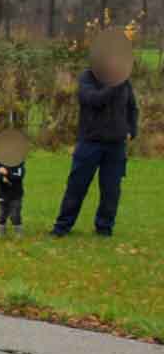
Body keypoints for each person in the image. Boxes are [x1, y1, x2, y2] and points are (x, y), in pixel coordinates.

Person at [51, 38, 139, 238]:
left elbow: (132, 108)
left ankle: (104, 228)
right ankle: (62, 227)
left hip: (115, 145)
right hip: (90, 142)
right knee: (77, 186)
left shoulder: (124, 82)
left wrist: (131, 129)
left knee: (111, 191)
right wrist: (114, 86)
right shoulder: (87, 78)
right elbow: (93, 100)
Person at [0, 128, 28, 236]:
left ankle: (18, 232)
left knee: (15, 214)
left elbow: (19, 176)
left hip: (16, 195)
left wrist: (7, 174)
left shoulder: (19, 164)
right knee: (2, 214)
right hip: (2, 194)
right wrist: (1, 178)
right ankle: (1, 232)